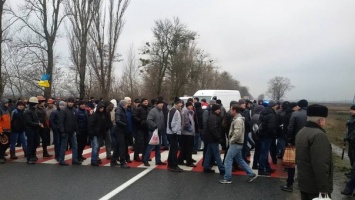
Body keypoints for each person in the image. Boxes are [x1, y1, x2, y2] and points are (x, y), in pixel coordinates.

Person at [296, 104, 332, 200]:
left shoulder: (302, 131)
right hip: (315, 188)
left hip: (304, 183)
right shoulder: (319, 135)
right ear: (321, 120)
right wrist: (324, 190)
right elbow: (320, 165)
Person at [219, 105, 257, 184]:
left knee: (227, 160)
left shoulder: (238, 120)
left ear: (235, 110)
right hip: (238, 143)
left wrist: (231, 141)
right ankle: (251, 174)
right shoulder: (238, 119)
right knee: (239, 160)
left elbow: (237, 133)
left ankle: (227, 178)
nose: (230, 111)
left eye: (231, 110)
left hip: (236, 143)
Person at [280, 99, 308, 192]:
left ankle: (289, 185)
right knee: (304, 164)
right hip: (307, 143)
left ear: (299, 106)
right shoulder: (310, 115)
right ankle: (304, 186)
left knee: (290, 164)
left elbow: (290, 129)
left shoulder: (295, 114)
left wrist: (288, 140)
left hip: (293, 142)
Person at [143, 99, 167, 166]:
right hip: (153, 131)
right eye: (160, 103)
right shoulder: (153, 111)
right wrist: (155, 126)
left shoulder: (161, 111)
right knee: (151, 146)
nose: (162, 105)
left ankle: (158, 160)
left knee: (158, 147)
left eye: (162, 103)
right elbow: (149, 120)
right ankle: (145, 160)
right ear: (157, 104)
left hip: (159, 131)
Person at [58, 97, 82, 166]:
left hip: (72, 131)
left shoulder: (74, 110)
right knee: (63, 146)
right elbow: (61, 122)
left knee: (75, 145)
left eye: (72, 102)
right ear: (67, 102)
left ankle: (74, 159)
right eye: (69, 102)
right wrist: (62, 131)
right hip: (65, 131)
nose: (71, 103)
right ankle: (61, 160)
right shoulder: (63, 110)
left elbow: (75, 121)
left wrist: (77, 129)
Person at [203, 104, 225, 175]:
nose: (220, 110)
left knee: (208, 153)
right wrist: (219, 138)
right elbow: (214, 129)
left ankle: (206, 167)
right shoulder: (214, 118)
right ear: (215, 110)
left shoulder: (212, 117)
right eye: (219, 109)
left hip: (210, 138)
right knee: (217, 154)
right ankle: (222, 169)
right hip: (213, 139)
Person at [258, 100, 278, 176]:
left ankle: (267, 167)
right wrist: (274, 134)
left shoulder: (263, 112)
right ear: (274, 106)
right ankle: (261, 169)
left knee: (264, 152)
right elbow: (271, 127)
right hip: (268, 136)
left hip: (262, 134)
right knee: (264, 153)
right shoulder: (272, 115)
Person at [111, 100, 130, 168]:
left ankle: (113, 161)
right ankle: (122, 162)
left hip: (122, 130)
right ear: (123, 105)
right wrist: (125, 124)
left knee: (118, 146)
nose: (127, 105)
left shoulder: (122, 110)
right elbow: (118, 121)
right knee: (121, 146)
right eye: (126, 104)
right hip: (119, 130)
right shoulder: (119, 111)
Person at [24, 97, 43, 164]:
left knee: (35, 143)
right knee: (30, 143)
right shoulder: (28, 111)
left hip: (35, 129)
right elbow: (29, 122)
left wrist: (38, 123)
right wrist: (38, 124)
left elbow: (35, 119)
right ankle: (29, 158)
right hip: (30, 129)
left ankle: (33, 155)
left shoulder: (33, 110)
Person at [341, 105, 355, 196]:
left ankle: (349, 188)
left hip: (353, 141)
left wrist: (349, 138)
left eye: (352, 110)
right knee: (351, 158)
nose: (351, 111)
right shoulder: (351, 119)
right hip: (352, 143)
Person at [167, 99, 183, 172]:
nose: (181, 105)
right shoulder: (174, 111)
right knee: (174, 150)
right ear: (177, 103)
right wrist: (174, 131)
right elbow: (171, 122)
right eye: (180, 103)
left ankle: (170, 163)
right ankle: (174, 165)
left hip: (173, 132)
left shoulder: (174, 110)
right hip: (173, 133)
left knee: (172, 149)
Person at [89, 102, 107, 166]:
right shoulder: (94, 115)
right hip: (94, 133)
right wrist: (91, 133)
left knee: (98, 147)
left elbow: (103, 125)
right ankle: (93, 160)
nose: (102, 109)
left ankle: (96, 158)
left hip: (100, 133)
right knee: (95, 146)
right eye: (101, 108)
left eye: (103, 108)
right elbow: (90, 124)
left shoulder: (102, 115)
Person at [179, 101, 196, 167]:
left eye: (192, 105)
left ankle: (180, 160)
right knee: (189, 148)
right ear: (187, 106)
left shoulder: (189, 112)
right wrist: (191, 130)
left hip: (186, 133)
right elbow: (186, 122)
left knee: (184, 148)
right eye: (190, 105)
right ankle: (189, 162)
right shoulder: (186, 112)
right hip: (188, 133)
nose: (192, 107)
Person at [0, 98, 12, 164]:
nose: (7, 104)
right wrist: (0, 131)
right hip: (2, 130)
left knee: (8, 143)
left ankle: (2, 154)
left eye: (7, 103)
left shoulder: (7, 110)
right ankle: (1, 157)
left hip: (8, 130)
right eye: (6, 103)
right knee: (2, 144)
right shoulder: (0, 110)